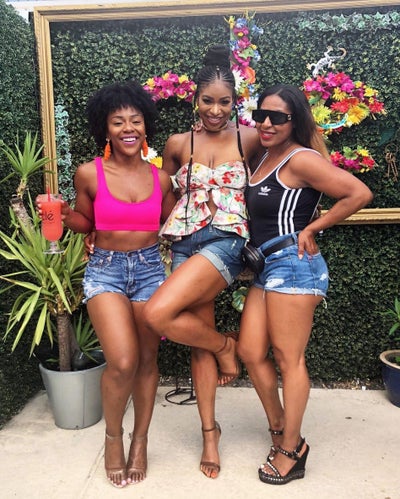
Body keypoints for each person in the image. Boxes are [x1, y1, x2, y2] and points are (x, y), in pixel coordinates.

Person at [38, 80, 176, 488]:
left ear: (146, 126)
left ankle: (140, 440)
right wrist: (65, 215)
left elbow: (173, 223)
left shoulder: (161, 179)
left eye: (136, 120)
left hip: (150, 270)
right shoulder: (89, 174)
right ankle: (113, 437)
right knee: (122, 362)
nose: (128, 128)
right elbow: (87, 222)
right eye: (118, 121)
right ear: (106, 128)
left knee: (147, 361)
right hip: (106, 270)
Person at [236, 83, 373, 485]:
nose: (266, 123)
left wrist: (313, 227)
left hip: (294, 266)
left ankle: (291, 451)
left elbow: (358, 193)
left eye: (277, 117)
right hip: (268, 266)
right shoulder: (264, 154)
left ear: (294, 121)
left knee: (289, 359)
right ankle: (280, 427)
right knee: (249, 350)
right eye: (260, 115)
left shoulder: (300, 159)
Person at [142, 45, 262, 479]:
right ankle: (210, 432)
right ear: (195, 99)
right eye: (208, 100)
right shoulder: (179, 143)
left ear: (235, 102)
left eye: (224, 102)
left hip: (225, 240)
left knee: (157, 314)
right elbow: (165, 194)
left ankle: (227, 348)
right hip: (183, 243)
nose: (215, 110)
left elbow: (278, 177)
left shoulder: (250, 139)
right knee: (198, 339)